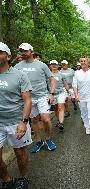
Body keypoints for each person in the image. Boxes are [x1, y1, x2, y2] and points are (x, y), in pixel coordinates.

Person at [0, 42, 32, 189]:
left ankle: (23, 177)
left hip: (15, 121)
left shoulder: (19, 75)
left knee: (19, 153)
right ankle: (6, 179)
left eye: (0, 52)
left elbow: (27, 100)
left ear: (8, 56)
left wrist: (24, 122)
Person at [14, 43, 57, 153]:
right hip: (28, 99)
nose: (23, 53)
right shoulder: (18, 66)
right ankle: (39, 141)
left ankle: (48, 139)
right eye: (21, 51)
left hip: (42, 96)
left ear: (31, 52)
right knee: (34, 120)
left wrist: (51, 93)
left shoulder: (41, 65)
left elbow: (52, 79)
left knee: (46, 119)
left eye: (25, 51)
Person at [73, 56, 90, 143]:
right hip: (81, 97)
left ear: (88, 62)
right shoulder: (77, 73)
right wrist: (76, 95)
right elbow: (75, 85)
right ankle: (87, 126)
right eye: (81, 61)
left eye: (85, 61)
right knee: (84, 114)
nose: (83, 62)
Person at [49, 60, 70, 131]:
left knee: (60, 107)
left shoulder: (61, 74)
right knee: (55, 108)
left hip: (61, 93)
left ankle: (61, 123)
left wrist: (68, 93)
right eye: (52, 64)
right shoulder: (47, 75)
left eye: (55, 64)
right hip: (52, 94)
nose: (54, 66)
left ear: (58, 66)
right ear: (50, 66)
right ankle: (59, 120)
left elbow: (65, 84)